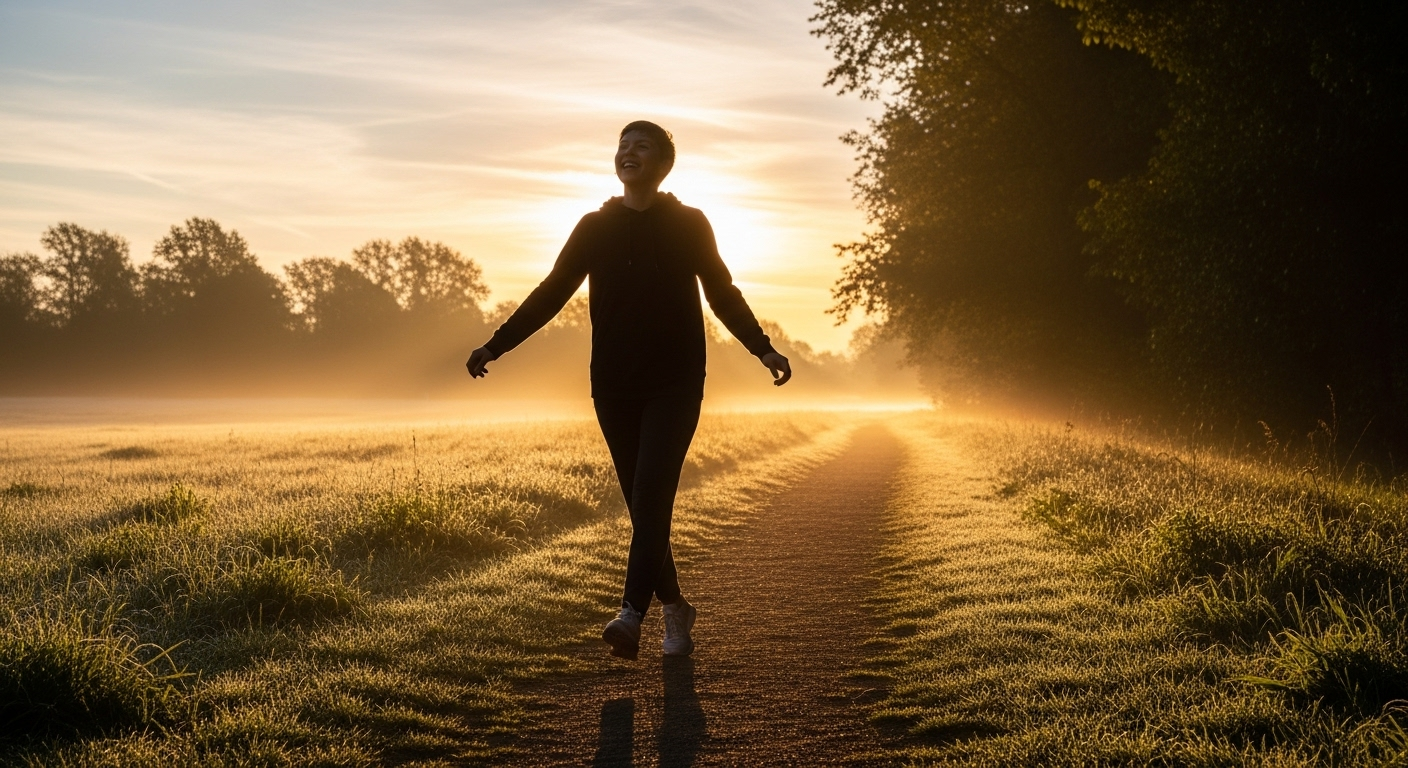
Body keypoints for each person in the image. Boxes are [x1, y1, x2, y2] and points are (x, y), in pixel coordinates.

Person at [465, 120, 791, 660]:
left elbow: (722, 291)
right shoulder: (593, 226)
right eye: (622, 145)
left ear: (664, 164)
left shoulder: (690, 223)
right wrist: (496, 345)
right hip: (613, 384)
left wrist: (762, 348)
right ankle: (676, 609)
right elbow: (550, 293)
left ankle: (630, 614)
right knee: (644, 510)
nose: (628, 152)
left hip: (676, 381)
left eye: (642, 146)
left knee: (651, 494)